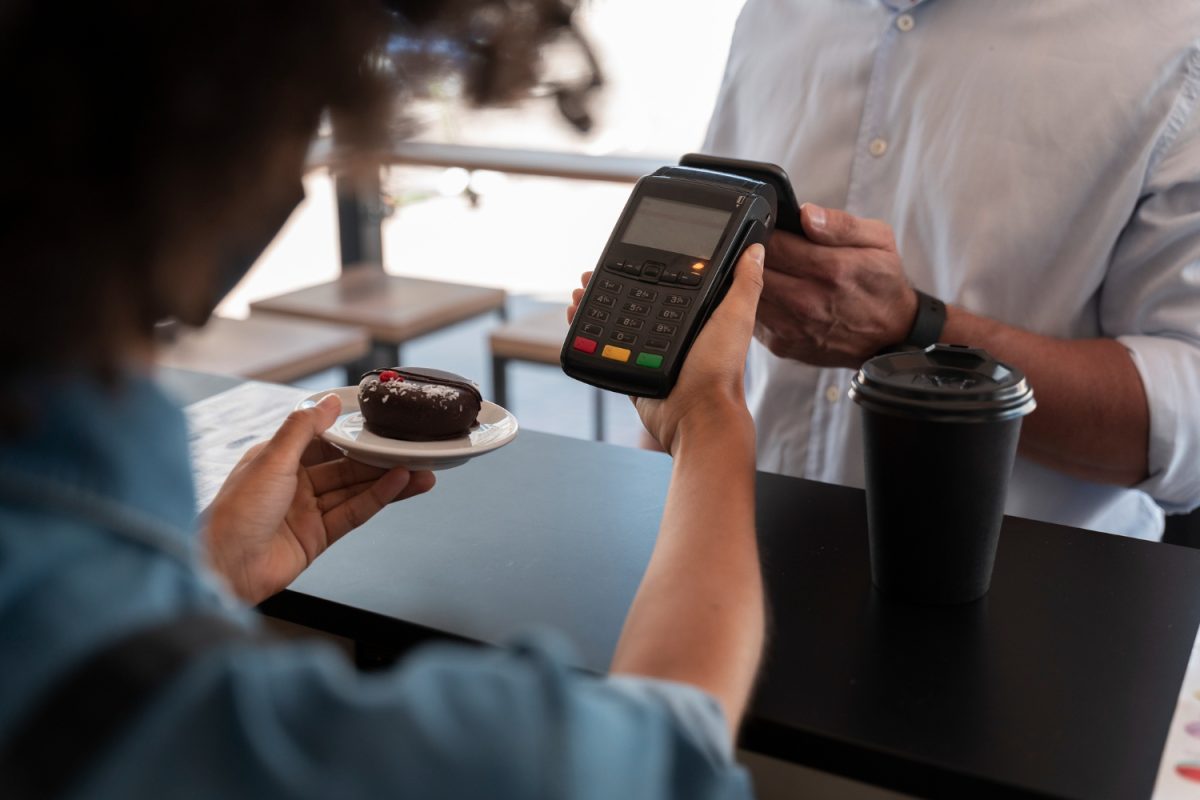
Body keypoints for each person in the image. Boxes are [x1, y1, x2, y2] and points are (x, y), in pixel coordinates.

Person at [0, 2, 766, 797]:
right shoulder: (216, 727)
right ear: (209, 137)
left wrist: (209, 575)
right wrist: (708, 416)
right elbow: (662, 751)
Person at [696, 0, 1200, 540]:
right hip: (739, 565)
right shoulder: (770, 14)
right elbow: (710, 267)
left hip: (1028, 595)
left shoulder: (1172, 38)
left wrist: (914, 334)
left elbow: (1187, 418)